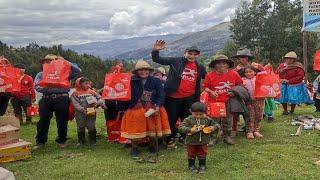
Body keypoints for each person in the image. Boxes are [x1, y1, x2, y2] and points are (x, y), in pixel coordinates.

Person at [151, 40, 207, 147]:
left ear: (198, 55)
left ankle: (183, 137)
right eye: (190, 53)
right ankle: (169, 137)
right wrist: (155, 51)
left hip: (189, 97)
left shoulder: (200, 67)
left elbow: (208, 77)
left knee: (186, 118)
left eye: (195, 54)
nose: (192, 56)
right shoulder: (176, 61)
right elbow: (157, 59)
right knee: (171, 118)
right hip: (173, 96)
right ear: (184, 53)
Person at [120, 60, 171, 158]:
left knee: (152, 127)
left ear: (149, 71)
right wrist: (123, 108)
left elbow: (161, 95)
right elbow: (125, 95)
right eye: (141, 70)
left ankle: (152, 146)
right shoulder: (130, 81)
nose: (144, 72)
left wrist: (157, 106)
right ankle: (134, 148)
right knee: (135, 127)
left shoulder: (156, 81)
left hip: (153, 106)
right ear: (136, 71)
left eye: (146, 70)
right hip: (135, 107)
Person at [33, 54, 81, 149]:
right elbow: (37, 86)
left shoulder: (64, 71)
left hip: (62, 98)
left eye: (50, 61)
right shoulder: (41, 74)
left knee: (62, 120)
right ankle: (40, 142)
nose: (47, 62)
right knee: (43, 121)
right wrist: (47, 89)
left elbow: (78, 71)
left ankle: (61, 140)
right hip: (46, 98)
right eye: (45, 61)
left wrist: (66, 61)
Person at [203, 54, 243, 145]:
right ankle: (213, 138)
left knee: (228, 120)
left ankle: (227, 137)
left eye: (224, 63)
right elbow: (205, 87)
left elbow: (240, 84)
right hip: (215, 102)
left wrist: (234, 92)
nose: (222, 65)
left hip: (229, 101)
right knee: (214, 120)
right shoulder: (210, 75)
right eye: (219, 63)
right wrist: (211, 92)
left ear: (228, 64)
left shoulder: (234, 74)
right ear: (215, 65)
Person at [179, 102, 220, 174]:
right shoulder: (188, 119)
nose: (198, 116)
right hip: (191, 141)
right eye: (196, 114)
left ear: (205, 113)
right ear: (191, 111)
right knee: (191, 153)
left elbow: (217, 125)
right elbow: (180, 128)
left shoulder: (207, 119)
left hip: (203, 141)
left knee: (203, 153)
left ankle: (202, 166)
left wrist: (213, 127)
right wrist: (190, 129)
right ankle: (191, 166)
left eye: (201, 114)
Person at [71, 77, 104, 146]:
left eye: (89, 84)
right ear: (79, 84)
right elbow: (75, 104)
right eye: (86, 84)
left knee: (91, 126)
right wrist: (82, 110)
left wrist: (100, 103)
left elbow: (100, 98)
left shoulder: (91, 91)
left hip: (91, 112)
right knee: (80, 126)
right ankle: (81, 141)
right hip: (80, 114)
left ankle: (93, 141)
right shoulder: (75, 93)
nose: (88, 85)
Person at [241, 66, 265, 139]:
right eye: (246, 72)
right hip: (248, 101)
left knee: (259, 115)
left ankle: (256, 130)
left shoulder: (259, 78)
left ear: (255, 72)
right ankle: (249, 131)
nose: (248, 73)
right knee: (249, 116)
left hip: (260, 100)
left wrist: (259, 66)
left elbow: (266, 72)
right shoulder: (242, 80)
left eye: (250, 71)